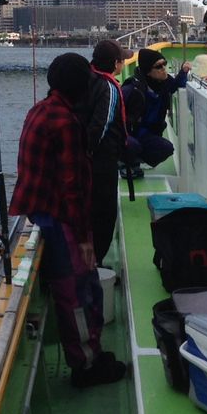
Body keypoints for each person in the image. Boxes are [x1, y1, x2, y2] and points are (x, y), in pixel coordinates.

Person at [9, 52, 127, 388]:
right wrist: (86, 240)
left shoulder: (41, 110)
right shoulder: (66, 123)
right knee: (76, 293)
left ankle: (89, 352)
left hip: (42, 213)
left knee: (78, 290)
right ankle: (86, 366)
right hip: (60, 220)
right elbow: (73, 190)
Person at [84, 39, 135, 262]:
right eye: (122, 61)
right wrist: (90, 154)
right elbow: (100, 127)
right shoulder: (108, 87)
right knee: (104, 214)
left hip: (83, 163)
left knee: (87, 212)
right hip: (101, 163)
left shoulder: (86, 79)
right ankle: (95, 261)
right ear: (115, 64)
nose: (123, 65)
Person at [121, 48, 192, 177]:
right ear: (148, 71)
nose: (164, 68)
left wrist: (183, 72)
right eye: (159, 66)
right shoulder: (132, 90)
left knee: (165, 148)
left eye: (164, 63)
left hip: (149, 133)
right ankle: (126, 161)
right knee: (134, 145)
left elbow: (176, 85)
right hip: (132, 134)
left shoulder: (163, 83)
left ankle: (139, 161)